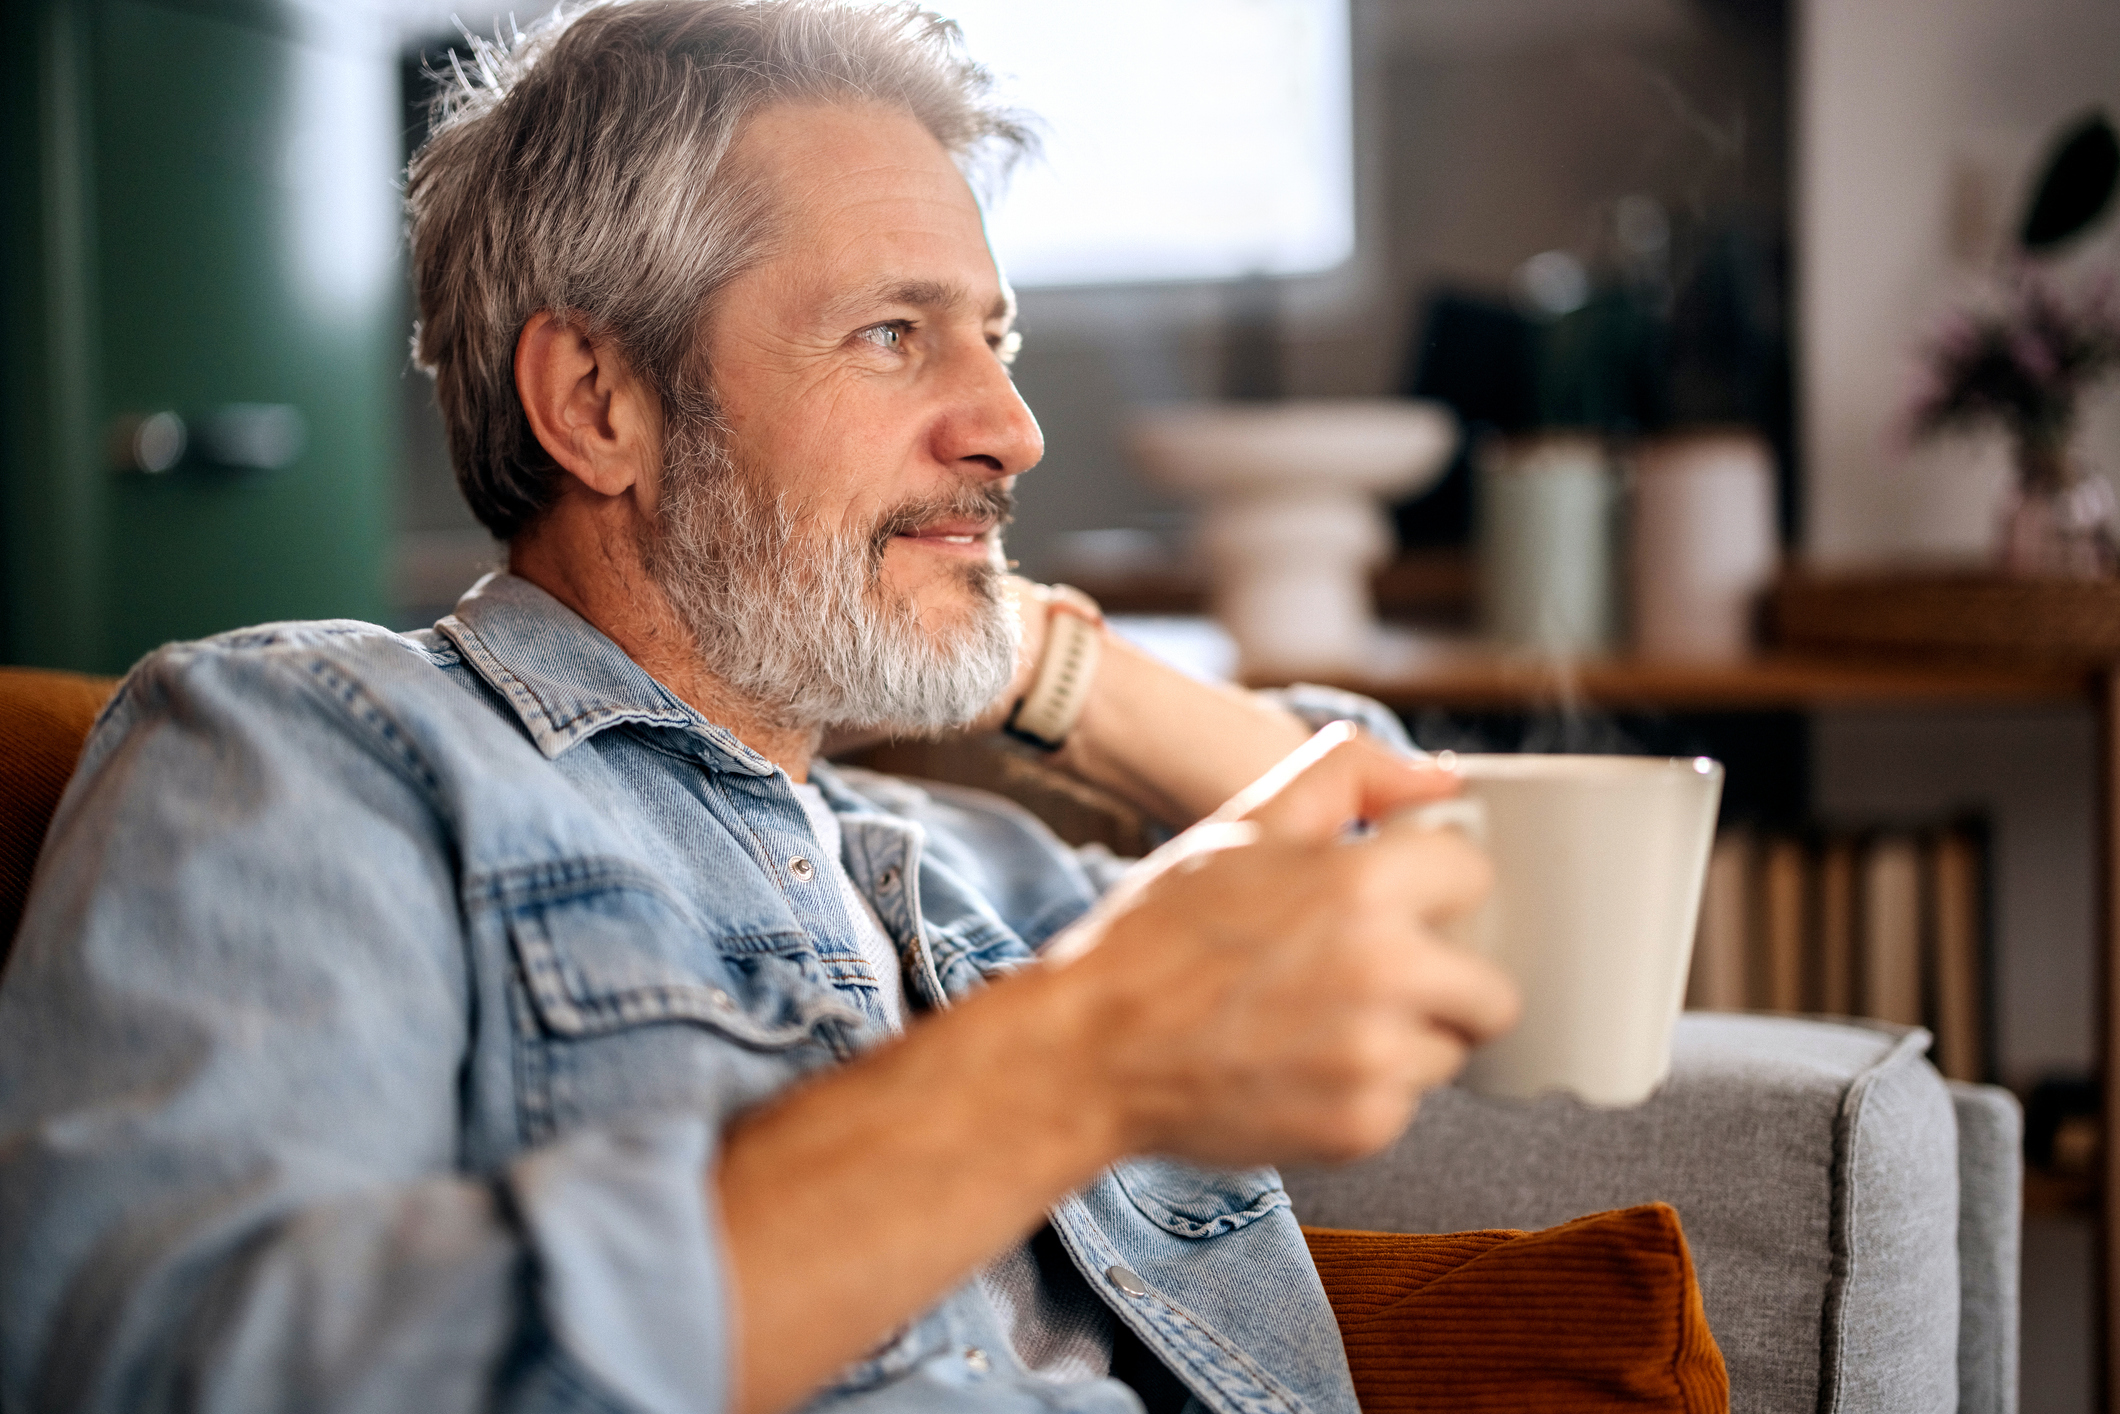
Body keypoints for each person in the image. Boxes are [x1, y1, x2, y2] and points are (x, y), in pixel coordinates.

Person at [0, 4, 1518, 1411]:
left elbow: (1500, 899)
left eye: (999, 338)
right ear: (600, 404)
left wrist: (1038, 662)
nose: (1014, 430)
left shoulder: (988, 876)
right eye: (892, 333)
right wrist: (1077, 1054)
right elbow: (165, 1363)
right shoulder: (313, 752)